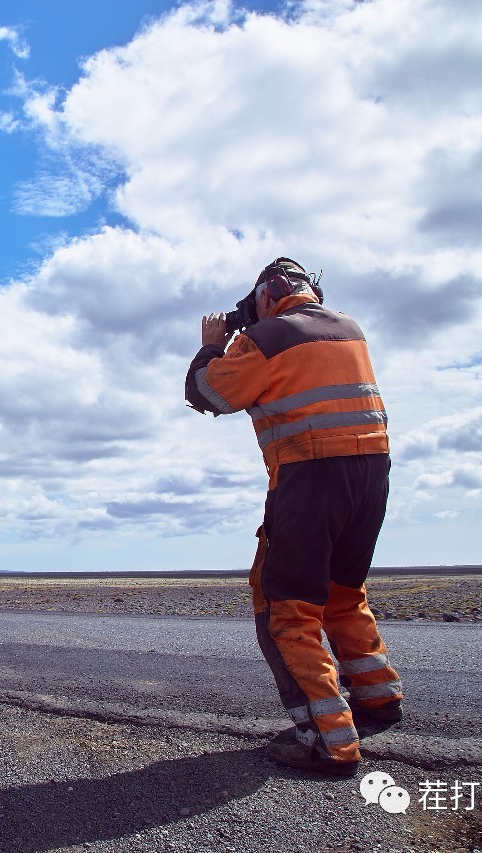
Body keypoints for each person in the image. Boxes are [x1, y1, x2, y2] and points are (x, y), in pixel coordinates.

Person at [184, 258, 403, 777]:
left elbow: (207, 393)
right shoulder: (348, 328)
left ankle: (328, 741)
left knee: (288, 608)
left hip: (310, 476)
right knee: (343, 593)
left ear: (269, 294)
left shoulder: (267, 337)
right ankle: (377, 698)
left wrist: (214, 342)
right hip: (371, 475)